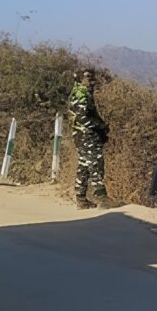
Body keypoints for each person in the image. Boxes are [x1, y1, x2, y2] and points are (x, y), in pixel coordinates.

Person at [68, 68, 111, 209]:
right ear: (80, 79)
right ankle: (102, 198)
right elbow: (82, 118)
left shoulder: (78, 93)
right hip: (87, 135)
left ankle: (81, 199)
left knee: (84, 165)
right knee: (96, 163)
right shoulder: (82, 95)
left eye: (92, 78)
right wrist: (100, 126)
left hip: (80, 135)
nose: (91, 81)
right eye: (88, 78)